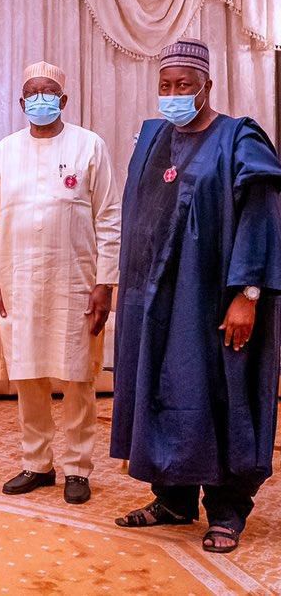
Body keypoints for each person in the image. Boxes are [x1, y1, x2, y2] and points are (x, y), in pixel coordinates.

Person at [111, 38, 281, 554]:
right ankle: (173, 500)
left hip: (212, 301)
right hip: (155, 303)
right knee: (161, 392)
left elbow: (261, 217)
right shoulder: (152, 138)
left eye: (184, 85)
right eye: (166, 85)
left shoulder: (239, 138)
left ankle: (227, 510)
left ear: (206, 85)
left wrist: (247, 294)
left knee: (219, 395)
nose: (174, 94)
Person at [0, 61, 121, 505]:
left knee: (78, 377)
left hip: (75, 281)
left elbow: (109, 217)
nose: (40, 98)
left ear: (63, 100)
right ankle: (36, 463)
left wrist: (105, 282)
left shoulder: (89, 146)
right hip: (19, 280)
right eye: (32, 92)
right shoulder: (5, 150)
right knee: (28, 374)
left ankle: (78, 468)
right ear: (21, 103)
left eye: (49, 91)